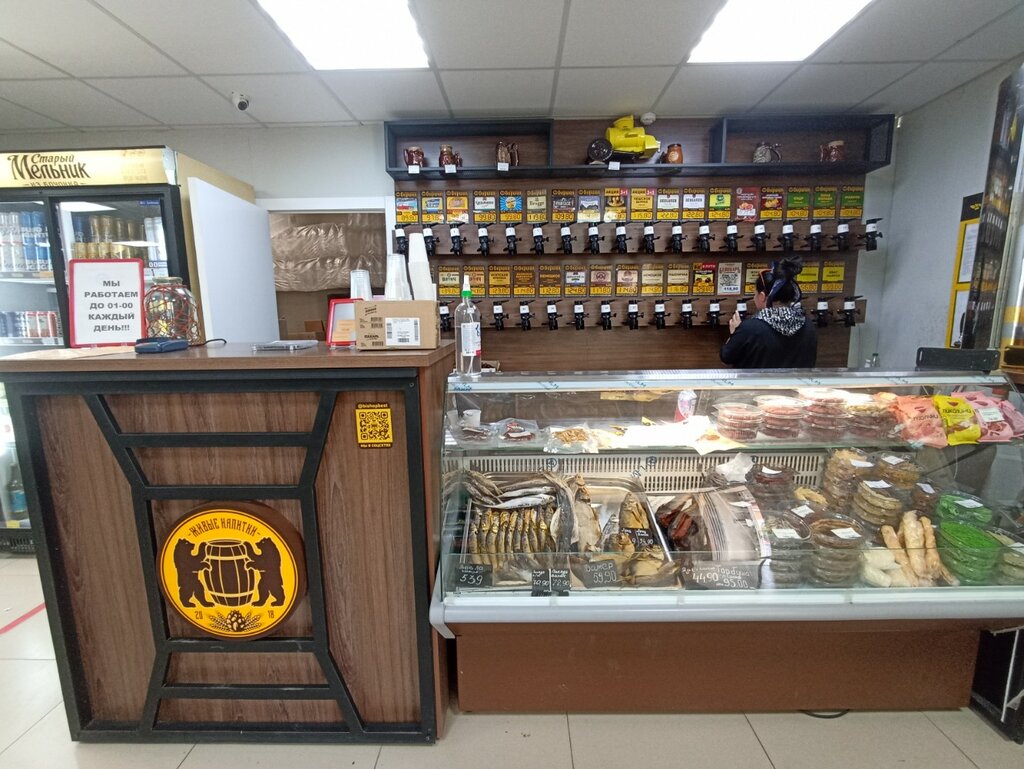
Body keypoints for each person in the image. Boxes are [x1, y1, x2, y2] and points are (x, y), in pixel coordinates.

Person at [720, 258, 817, 368]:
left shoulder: (750, 328)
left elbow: (726, 358)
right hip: (799, 380)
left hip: (757, 380)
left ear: (762, 296)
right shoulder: (808, 326)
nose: (754, 297)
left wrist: (735, 334)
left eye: (755, 294)